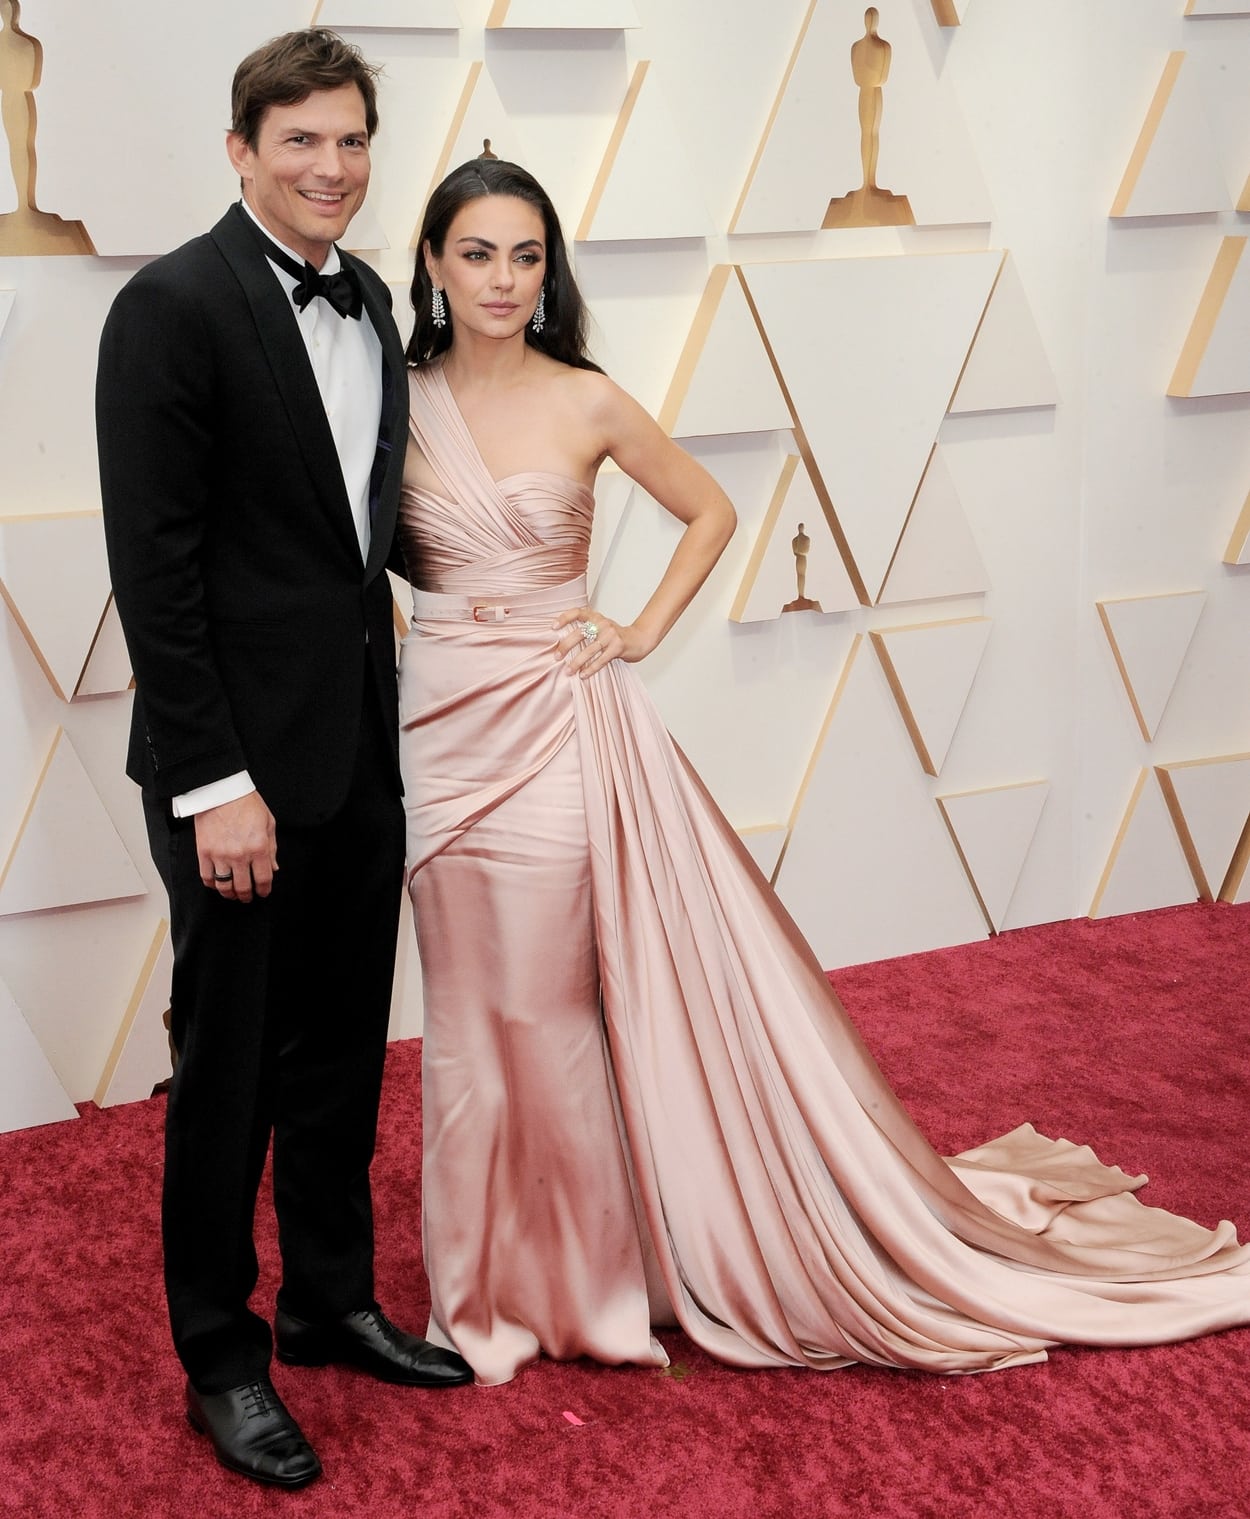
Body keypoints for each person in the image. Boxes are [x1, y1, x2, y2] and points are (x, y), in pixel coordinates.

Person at [398, 157, 1250, 1389]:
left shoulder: (583, 398)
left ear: (549, 271)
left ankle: (580, 1289)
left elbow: (709, 511)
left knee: (543, 1010)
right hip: (436, 726)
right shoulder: (397, 400)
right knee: (462, 1029)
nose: (502, 279)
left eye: (525, 256)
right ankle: (473, 1288)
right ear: (431, 262)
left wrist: (632, 629)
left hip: (550, 724)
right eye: (476, 253)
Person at [96, 28, 471, 1491]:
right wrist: (212, 784)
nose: (331, 168)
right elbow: (158, 568)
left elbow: (348, 545)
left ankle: (328, 1297)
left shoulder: (372, 299)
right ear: (240, 148)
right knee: (232, 1070)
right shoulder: (170, 308)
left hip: (355, 754)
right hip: (234, 775)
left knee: (337, 1057)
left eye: (352, 141)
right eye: (300, 141)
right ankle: (223, 1354)